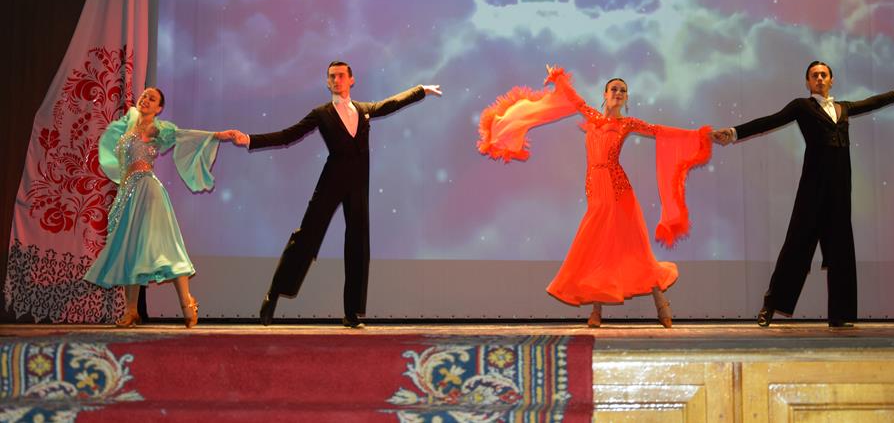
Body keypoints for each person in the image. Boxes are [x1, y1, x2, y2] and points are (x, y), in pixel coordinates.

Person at [477, 65, 712, 328]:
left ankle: (660, 305)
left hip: (618, 189)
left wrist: (701, 136)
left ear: (626, 98)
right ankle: (597, 309)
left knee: (636, 247)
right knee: (597, 247)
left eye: (623, 91)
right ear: (605, 94)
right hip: (596, 188)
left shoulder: (626, 124)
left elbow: (659, 131)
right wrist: (559, 78)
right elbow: (573, 100)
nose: (618, 93)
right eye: (614, 89)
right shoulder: (592, 116)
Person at [230, 61, 441, 327]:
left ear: (351, 80)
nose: (337, 80)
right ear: (328, 82)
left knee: (358, 246)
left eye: (341, 75)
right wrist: (249, 139)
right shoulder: (321, 114)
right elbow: (287, 135)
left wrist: (421, 90)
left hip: (358, 185)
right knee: (306, 238)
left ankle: (351, 313)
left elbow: (392, 103)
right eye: (332, 76)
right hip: (331, 182)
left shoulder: (364, 110)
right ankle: (273, 294)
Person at [711, 61, 894, 328]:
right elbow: (770, 121)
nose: (819, 78)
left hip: (840, 190)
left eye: (823, 75)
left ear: (831, 80)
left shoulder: (843, 108)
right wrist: (734, 132)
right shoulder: (802, 106)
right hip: (813, 187)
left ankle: (840, 315)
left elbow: (869, 103)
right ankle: (771, 305)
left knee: (841, 250)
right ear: (808, 82)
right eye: (814, 75)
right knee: (797, 246)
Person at [84, 87, 238, 328]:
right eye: (144, 96)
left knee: (165, 247)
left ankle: (187, 302)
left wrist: (216, 135)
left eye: (152, 99)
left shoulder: (155, 129)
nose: (146, 99)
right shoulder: (129, 125)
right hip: (128, 193)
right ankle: (131, 310)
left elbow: (182, 135)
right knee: (130, 250)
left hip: (147, 191)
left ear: (159, 108)